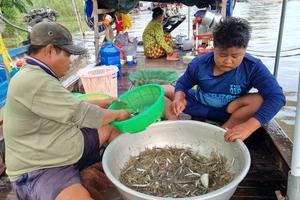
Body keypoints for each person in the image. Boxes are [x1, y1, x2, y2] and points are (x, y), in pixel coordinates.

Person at [3, 21, 131, 200]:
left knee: (111, 128)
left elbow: (68, 104)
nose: (70, 61)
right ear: (49, 50)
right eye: (67, 54)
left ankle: (129, 172)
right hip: (42, 167)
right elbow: (84, 114)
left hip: (64, 144)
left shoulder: (37, 74)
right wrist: (119, 113)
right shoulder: (34, 81)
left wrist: (101, 102)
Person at [162, 17, 286, 142]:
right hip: (198, 103)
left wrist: (248, 127)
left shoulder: (252, 66)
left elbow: (277, 97)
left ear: (245, 49)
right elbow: (183, 83)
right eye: (222, 55)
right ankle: (179, 129)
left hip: (229, 111)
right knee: (162, 91)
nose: (228, 61)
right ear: (214, 47)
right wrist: (179, 99)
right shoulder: (199, 64)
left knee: (258, 100)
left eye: (235, 56)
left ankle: (223, 132)